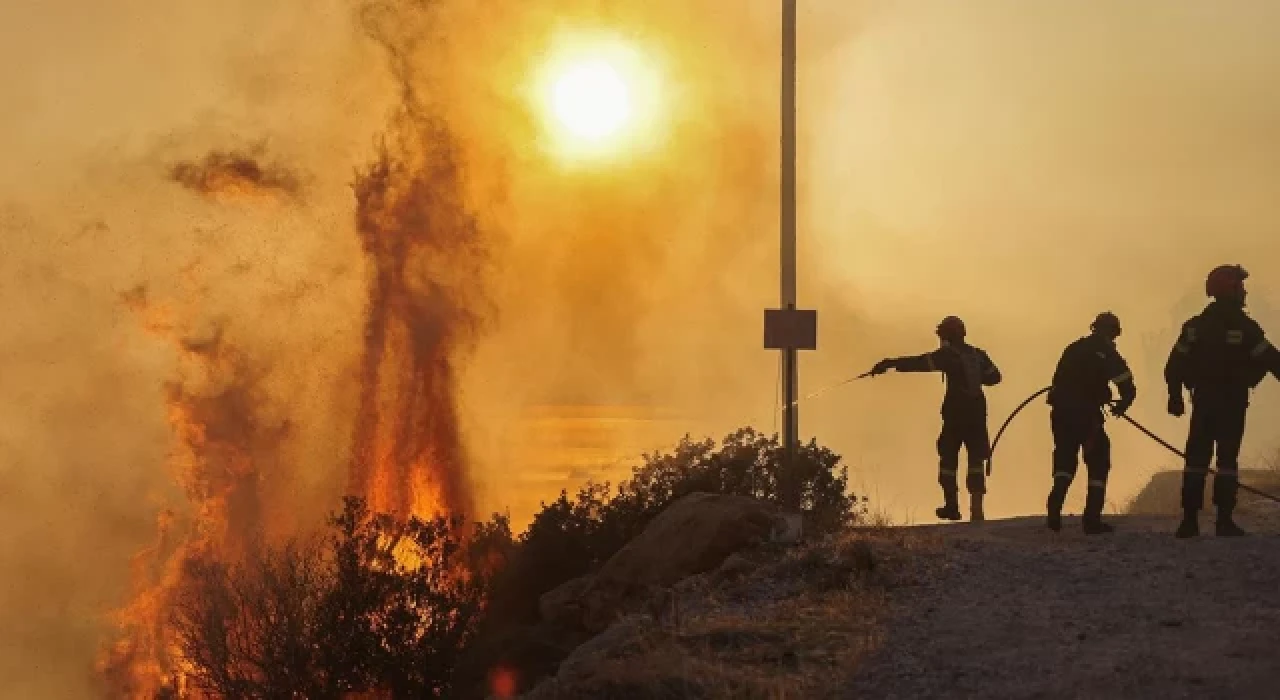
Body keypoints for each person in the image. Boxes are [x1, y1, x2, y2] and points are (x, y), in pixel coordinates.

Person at [1165, 264, 1280, 538]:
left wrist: (1175, 396)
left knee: (1195, 460)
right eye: (1240, 286)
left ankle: (1189, 522)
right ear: (1230, 289)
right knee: (1227, 462)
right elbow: (1273, 361)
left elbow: (1174, 366)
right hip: (1231, 404)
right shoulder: (1246, 328)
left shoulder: (1195, 327)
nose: (1244, 292)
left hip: (1203, 403)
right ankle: (1224, 522)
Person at [871, 316, 1002, 522]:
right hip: (977, 416)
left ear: (947, 335)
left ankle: (952, 506)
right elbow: (995, 378)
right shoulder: (978, 355)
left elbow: (920, 363)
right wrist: (977, 378)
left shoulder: (947, 356)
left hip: (954, 417)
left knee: (948, 461)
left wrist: (890, 363)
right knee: (976, 460)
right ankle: (977, 509)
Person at [1044, 312, 1136, 534]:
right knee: (1098, 460)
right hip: (1087, 416)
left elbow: (1057, 381)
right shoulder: (1107, 352)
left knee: (1065, 458)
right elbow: (1125, 383)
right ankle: (1092, 519)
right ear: (1113, 332)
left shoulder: (1074, 348)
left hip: (1061, 413)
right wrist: (1123, 402)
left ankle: (1055, 504)